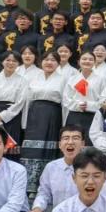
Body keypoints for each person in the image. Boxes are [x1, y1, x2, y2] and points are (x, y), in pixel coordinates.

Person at [21, 51, 66, 192]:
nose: (49, 62)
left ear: (58, 63)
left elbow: (65, 103)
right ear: (41, 62)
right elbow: (27, 100)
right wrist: (24, 122)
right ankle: (29, 186)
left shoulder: (63, 79)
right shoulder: (34, 77)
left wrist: (64, 124)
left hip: (53, 115)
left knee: (48, 148)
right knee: (31, 149)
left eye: (53, 60)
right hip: (34, 115)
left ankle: (45, 186)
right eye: (46, 59)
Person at [0, 51, 28, 157]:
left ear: (19, 64)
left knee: (10, 149)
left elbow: (20, 102)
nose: (11, 63)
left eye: (14, 61)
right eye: (8, 60)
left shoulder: (23, 81)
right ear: (2, 62)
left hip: (12, 116)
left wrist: (3, 116)